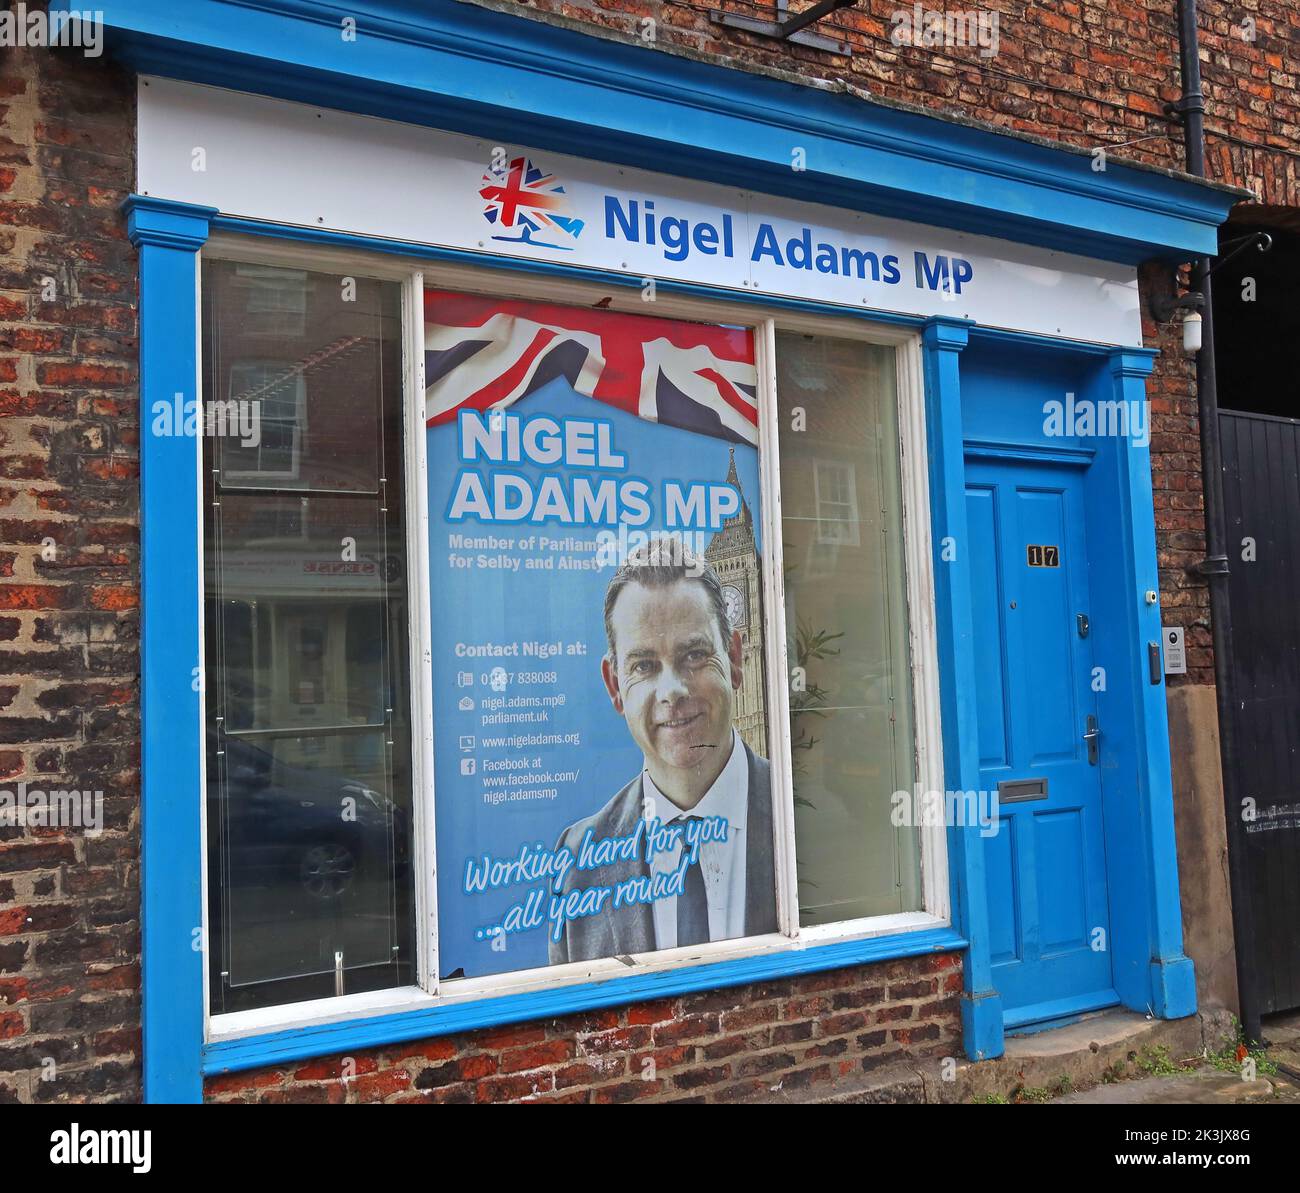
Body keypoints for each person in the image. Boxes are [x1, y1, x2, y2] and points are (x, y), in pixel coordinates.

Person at [548, 537, 775, 964]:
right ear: (615, 686)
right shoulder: (579, 862)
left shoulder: (803, 817)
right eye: (644, 666)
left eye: (694, 655)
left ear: (736, 658)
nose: (672, 690)